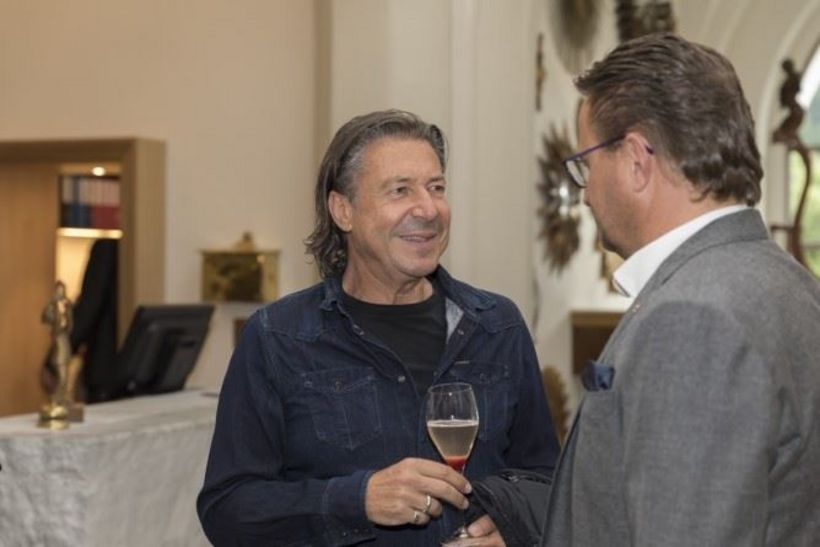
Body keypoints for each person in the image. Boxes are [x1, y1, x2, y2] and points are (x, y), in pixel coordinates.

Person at [197, 109, 560, 546]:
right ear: (343, 210)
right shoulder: (278, 338)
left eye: (436, 188)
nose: (428, 209)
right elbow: (228, 510)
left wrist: (513, 528)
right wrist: (357, 500)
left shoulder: (497, 326)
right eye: (400, 190)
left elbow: (548, 483)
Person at [531, 33, 820, 546]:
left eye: (586, 165)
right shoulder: (788, 280)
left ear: (636, 160)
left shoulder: (692, 319)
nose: (586, 193)